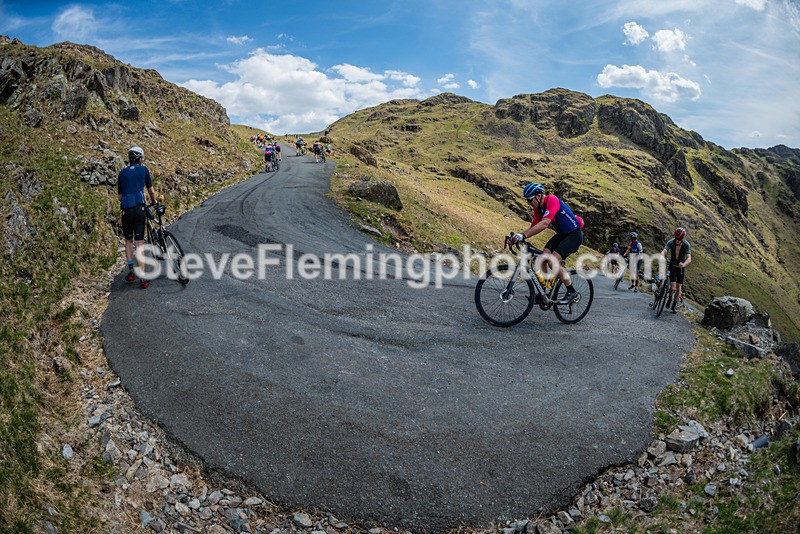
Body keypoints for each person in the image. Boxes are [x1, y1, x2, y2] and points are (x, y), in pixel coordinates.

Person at [511, 182, 585, 304]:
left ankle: (571, 291)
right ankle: (544, 293)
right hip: (562, 235)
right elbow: (533, 227)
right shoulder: (538, 209)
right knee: (542, 258)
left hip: (574, 235)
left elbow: (544, 224)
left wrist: (523, 235)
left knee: (552, 260)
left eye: (529, 200)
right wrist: (518, 237)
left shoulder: (552, 200)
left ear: (538, 196)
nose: (528, 203)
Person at [117, 146, 157, 289]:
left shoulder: (122, 173)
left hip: (126, 210)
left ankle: (131, 271)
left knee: (128, 241)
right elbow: (151, 191)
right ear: (139, 158)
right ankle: (143, 278)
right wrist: (154, 203)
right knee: (139, 242)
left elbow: (120, 197)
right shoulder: (144, 170)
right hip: (139, 208)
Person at [661, 227, 692, 314]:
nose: (677, 240)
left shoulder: (686, 245)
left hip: (681, 268)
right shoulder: (671, 242)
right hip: (672, 266)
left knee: (678, 288)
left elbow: (689, 258)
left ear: (682, 239)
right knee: (672, 288)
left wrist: (683, 264)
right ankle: (669, 298)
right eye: (676, 238)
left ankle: (674, 306)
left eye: (679, 239)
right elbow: (664, 251)